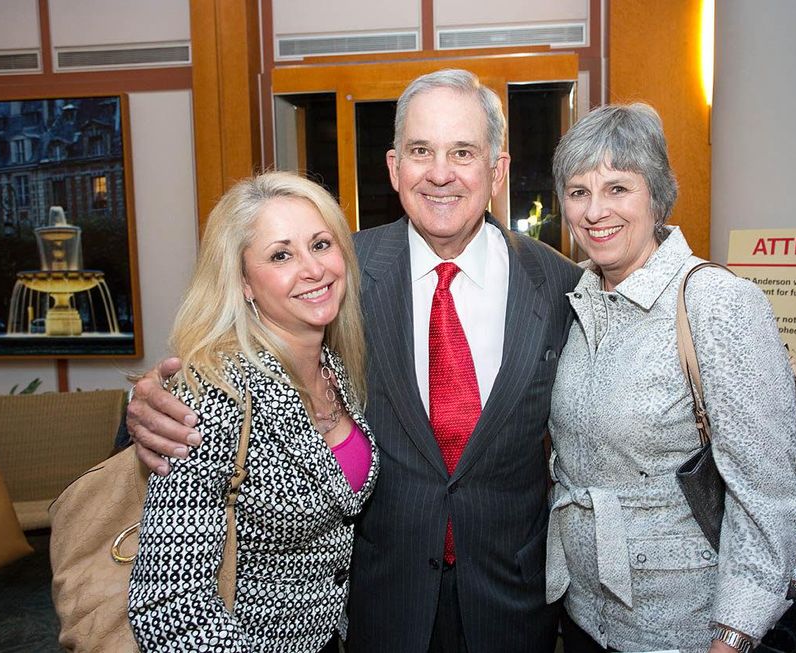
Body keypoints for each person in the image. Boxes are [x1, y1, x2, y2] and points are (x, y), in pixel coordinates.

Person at [127, 69, 582, 652]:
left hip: (512, 603)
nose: (439, 173)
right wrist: (144, 404)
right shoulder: (337, 274)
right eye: (421, 151)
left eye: (463, 152)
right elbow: (224, 354)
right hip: (378, 604)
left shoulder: (559, 284)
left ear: (497, 170)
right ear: (394, 167)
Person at [545, 103, 796, 653]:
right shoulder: (578, 299)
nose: (595, 211)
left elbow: (766, 495)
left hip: (684, 628)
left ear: (657, 196)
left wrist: (733, 635)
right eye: (578, 191)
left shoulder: (717, 303)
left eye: (618, 188)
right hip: (583, 615)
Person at [127, 172, 379, 652]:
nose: (313, 269)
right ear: (243, 282)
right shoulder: (214, 393)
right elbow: (167, 607)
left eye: (321, 244)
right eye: (281, 255)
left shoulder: (335, 369)